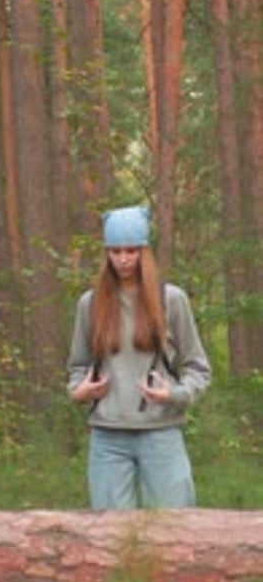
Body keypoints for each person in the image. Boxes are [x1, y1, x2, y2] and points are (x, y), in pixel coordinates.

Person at [67, 205, 210, 510]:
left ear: (144, 252)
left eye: (131, 250)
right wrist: (80, 391)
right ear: (106, 254)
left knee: (176, 528)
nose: (123, 259)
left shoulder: (171, 300)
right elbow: (78, 366)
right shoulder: (90, 304)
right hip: (107, 436)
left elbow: (197, 367)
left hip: (161, 432)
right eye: (115, 251)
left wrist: (175, 394)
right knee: (109, 537)